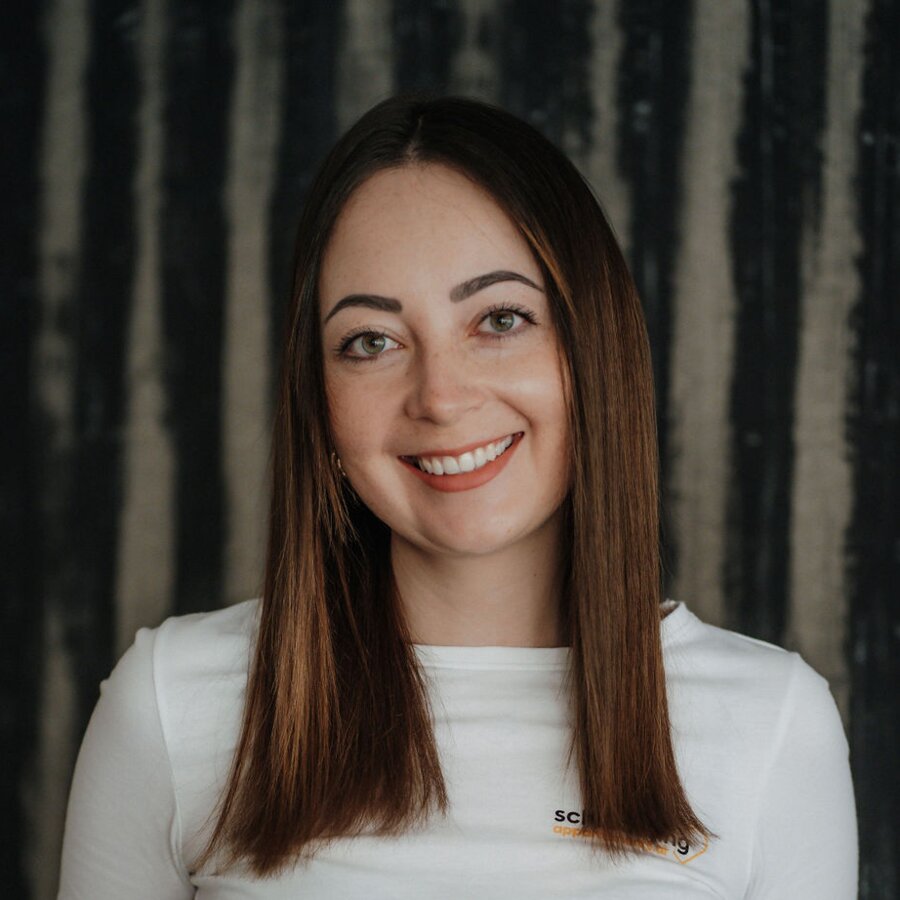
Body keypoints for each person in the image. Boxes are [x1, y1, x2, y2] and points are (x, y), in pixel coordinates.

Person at [57, 94, 857, 898]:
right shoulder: (169, 706)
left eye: (500, 318)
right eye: (371, 342)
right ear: (320, 406)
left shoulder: (773, 728)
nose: (439, 396)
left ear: (593, 351)